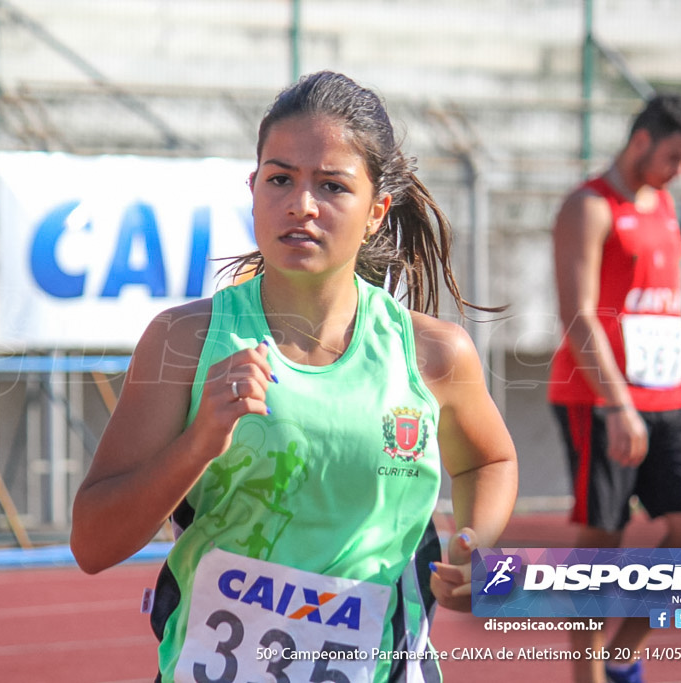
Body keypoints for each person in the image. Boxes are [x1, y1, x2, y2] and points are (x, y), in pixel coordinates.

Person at [71, 71, 518, 683]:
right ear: (253, 189)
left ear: (376, 212)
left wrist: (476, 542)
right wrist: (199, 442)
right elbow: (94, 545)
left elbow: (487, 461)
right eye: (280, 178)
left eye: (332, 186)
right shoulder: (186, 341)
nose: (300, 205)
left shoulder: (434, 354)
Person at [548, 93, 681, 683]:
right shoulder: (588, 207)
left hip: (668, 394)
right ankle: (587, 675)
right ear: (641, 141)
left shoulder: (667, 203)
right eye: (675, 155)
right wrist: (618, 405)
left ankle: (622, 654)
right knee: (602, 543)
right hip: (601, 399)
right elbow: (578, 315)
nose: (680, 169)